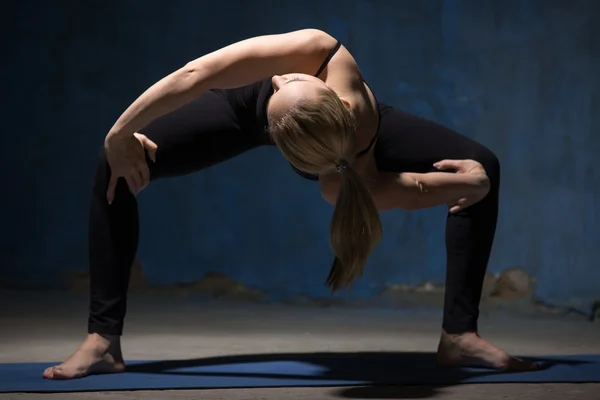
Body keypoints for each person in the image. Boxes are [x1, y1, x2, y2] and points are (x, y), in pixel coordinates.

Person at [42, 28, 538, 380]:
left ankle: (459, 337)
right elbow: (199, 73)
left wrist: (469, 185)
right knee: (116, 165)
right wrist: (120, 133)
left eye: (285, 81)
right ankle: (103, 340)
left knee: (482, 163)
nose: (279, 78)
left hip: (329, 139)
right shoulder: (309, 52)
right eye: (283, 80)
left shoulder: (346, 150)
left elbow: (387, 191)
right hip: (242, 108)